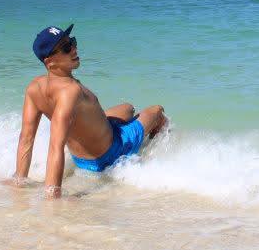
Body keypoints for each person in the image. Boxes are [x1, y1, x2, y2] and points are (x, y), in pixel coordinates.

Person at [11, 23, 166, 197]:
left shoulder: (34, 88)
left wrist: (19, 181)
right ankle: (152, 150)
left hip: (87, 149)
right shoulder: (70, 92)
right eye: (66, 47)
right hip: (110, 153)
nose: (74, 49)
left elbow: (26, 139)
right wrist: (52, 196)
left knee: (127, 108)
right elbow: (55, 146)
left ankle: (130, 132)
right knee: (157, 110)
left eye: (72, 41)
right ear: (50, 62)